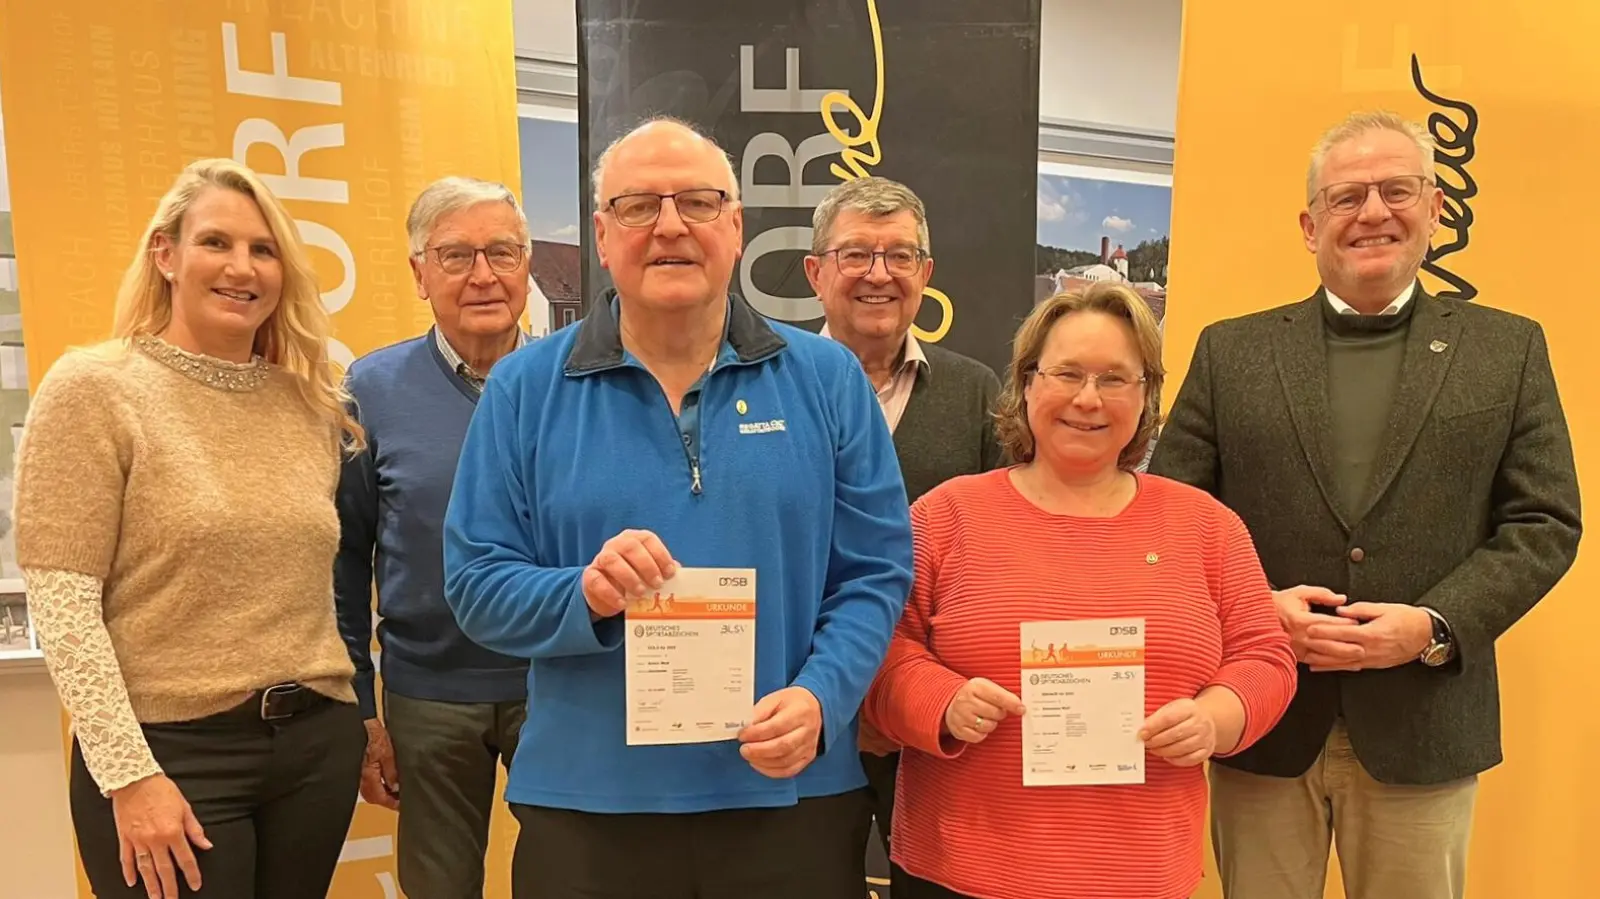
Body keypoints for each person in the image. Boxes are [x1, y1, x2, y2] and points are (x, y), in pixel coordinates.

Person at [441, 117, 914, 899]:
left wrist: (823, 697)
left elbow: (874, 572)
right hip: (589, 805)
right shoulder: (523, 389)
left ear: (735, 227)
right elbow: (476, 583)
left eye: (697, 202)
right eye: (637, 206)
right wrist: (582, 593)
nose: (668, 225)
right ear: (601, 233)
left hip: (791, 793)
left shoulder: (829, 380)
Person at [1147, 110, 1582, 899]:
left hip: (1426, 724)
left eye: (1396, 190)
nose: (1373, 213)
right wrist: (1257, 611)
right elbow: (1171, 522)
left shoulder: (1508, 347)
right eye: (1347, 197)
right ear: (1311, 225)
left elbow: (1544, 521)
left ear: (1436, 209)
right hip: (1261, 716)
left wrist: (1433, 625)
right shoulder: (1229, 351)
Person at [864, 282, 1297, 899]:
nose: (1088, 399)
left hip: (1140, 872)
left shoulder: (1206, 525)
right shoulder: (946, 516)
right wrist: (943, 701)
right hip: (962, 869)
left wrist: (1216, 718)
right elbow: (883, 650)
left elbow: (1264, 655)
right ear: (1027, 384)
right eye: (1066, 373)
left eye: (1116, 379)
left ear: (1146, 396)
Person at [13, 158, 368, 899]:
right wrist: (129, 772)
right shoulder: (95, 389)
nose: (242, 267)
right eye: (217, 242)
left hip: (313, 748)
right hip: (169, 752)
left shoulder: (310, 405)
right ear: (165, 254)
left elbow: (319, 585)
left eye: (264, 249)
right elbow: (63, 595)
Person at [334, 176, 533, 899]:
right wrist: (364, 706)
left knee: (573, 877)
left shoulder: (574, 379)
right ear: (420, 273)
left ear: (528, 264)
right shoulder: (371, 387)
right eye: (456, 255)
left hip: (559, 687)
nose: (484, 274)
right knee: (438, 887)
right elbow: (346, 561)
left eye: (503, 252)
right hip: (427, 695)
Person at [802, 175, 1004, 876]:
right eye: (856, 254)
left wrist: (914, 699)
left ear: (926, 274)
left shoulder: (981, 392)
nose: (878, 275)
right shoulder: (766, 384)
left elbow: (1003, 551)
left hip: (934, 719)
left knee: (931, 881)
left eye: (900, 256)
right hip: (801, 709)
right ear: (815, 272)